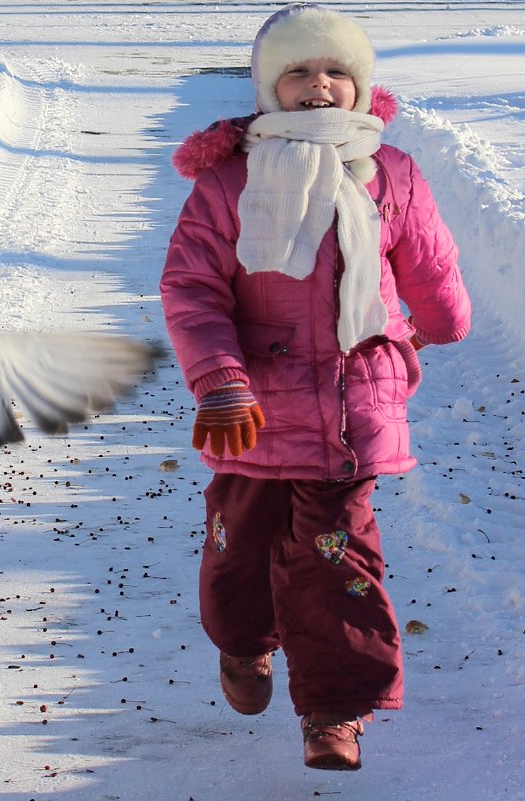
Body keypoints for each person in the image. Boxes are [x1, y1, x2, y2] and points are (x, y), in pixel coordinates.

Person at [160, 2, 471, 772]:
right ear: (270, 89)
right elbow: (191, 287)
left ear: (360, 86)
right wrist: (218, 376)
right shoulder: (229, 181)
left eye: (336, 71)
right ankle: (242, 644)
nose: (319, 86)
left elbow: (430, 266)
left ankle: (335, 709)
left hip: (350, 411)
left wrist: (439, 320)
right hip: (252, 416)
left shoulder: (389, 172)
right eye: (298, 72)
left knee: (336, 559)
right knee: (240, 557)